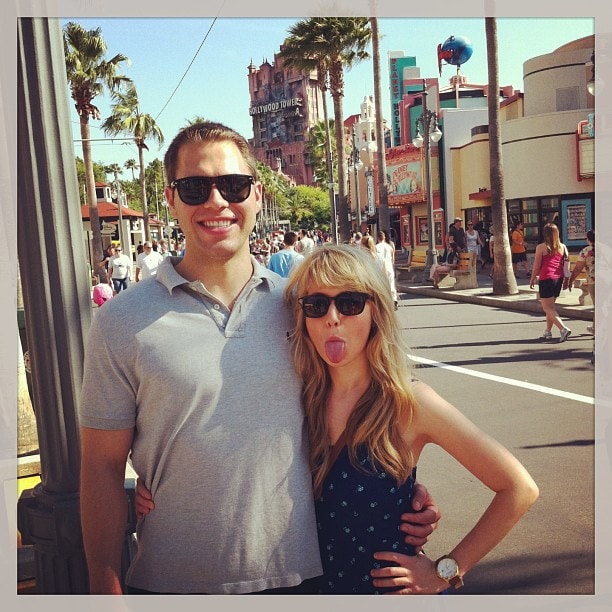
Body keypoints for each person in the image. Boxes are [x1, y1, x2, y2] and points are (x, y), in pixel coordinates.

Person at [79, 121, 439, 595]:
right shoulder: (121, 321)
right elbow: (101, 467)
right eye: (194, 187)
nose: (216, 201)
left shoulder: (307, 307)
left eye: (233, 185)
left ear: (256, 195)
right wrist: (104, 590)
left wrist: (394, 491)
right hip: (171, 583)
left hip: (304, 578)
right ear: (170, 199)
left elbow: (357, 412)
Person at [281, 245, 537, 593]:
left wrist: (446, 570)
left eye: (349, 303)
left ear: (376, 311)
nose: (332, 317)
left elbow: (518, 488)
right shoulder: (298, 398)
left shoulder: (409, 402)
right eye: (316, 305)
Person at [529, 222, 572, 342]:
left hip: (546, 278)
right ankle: (548, 332)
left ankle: (563, 329)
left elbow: (537, 265)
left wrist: (532, 278)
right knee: (551, 307)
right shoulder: (562, 247)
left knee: (547, 308)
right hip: (558, 279)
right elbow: (566, 264)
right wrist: (567, 279)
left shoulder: (541, 247)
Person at [567, 229, 595, 333]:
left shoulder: (585, 251)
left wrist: (570, 281)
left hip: (594, 282)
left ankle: (597, 329)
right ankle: (595, 327)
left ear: (588, 240)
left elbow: (578, 269)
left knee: (598, 306)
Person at [375, 230, 398, 310]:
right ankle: (394, 301)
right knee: (391, 284)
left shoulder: (376, 247)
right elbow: (393, 259)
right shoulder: (389, 247)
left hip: (380, 269)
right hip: (389, 268)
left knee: (381, 286)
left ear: (377, 238)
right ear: (384, 237)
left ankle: (384, 303)